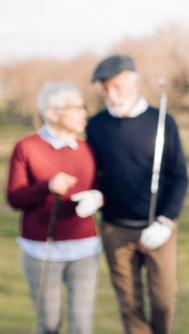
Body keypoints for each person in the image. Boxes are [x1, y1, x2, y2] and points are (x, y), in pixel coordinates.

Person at [86, 54, 189, 334]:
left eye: (117, 86)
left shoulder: (162, 121)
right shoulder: (95, 125)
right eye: (105, 88)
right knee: (130, 305)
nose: (111, 94)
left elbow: (179, 176)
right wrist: (93, 194)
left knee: (163, 301)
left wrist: (166, 220)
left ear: (136, 82)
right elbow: (93, 174)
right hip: (115, 229)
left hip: (158, 227)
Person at [7, 82, 104, 334]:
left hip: (85, 249)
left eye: (83, 107)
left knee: (82, 327)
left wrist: (97, 198)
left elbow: (98, 187)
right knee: (48, 324)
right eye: (76, 108)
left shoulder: (87, 148)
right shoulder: (27, 147)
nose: (83, 113)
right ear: (52, 113)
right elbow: (14, 198)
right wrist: (47, 186)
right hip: (42, 251)